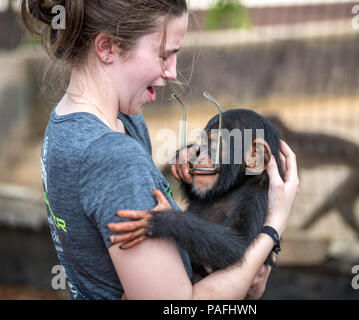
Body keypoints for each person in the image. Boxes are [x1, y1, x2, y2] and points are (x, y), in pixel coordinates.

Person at [21, 0, 299, 300]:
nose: (173, 73)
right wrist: (273, 227)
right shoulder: (113, 157)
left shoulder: (103, 121)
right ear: (108, 48)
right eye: (164, 55)